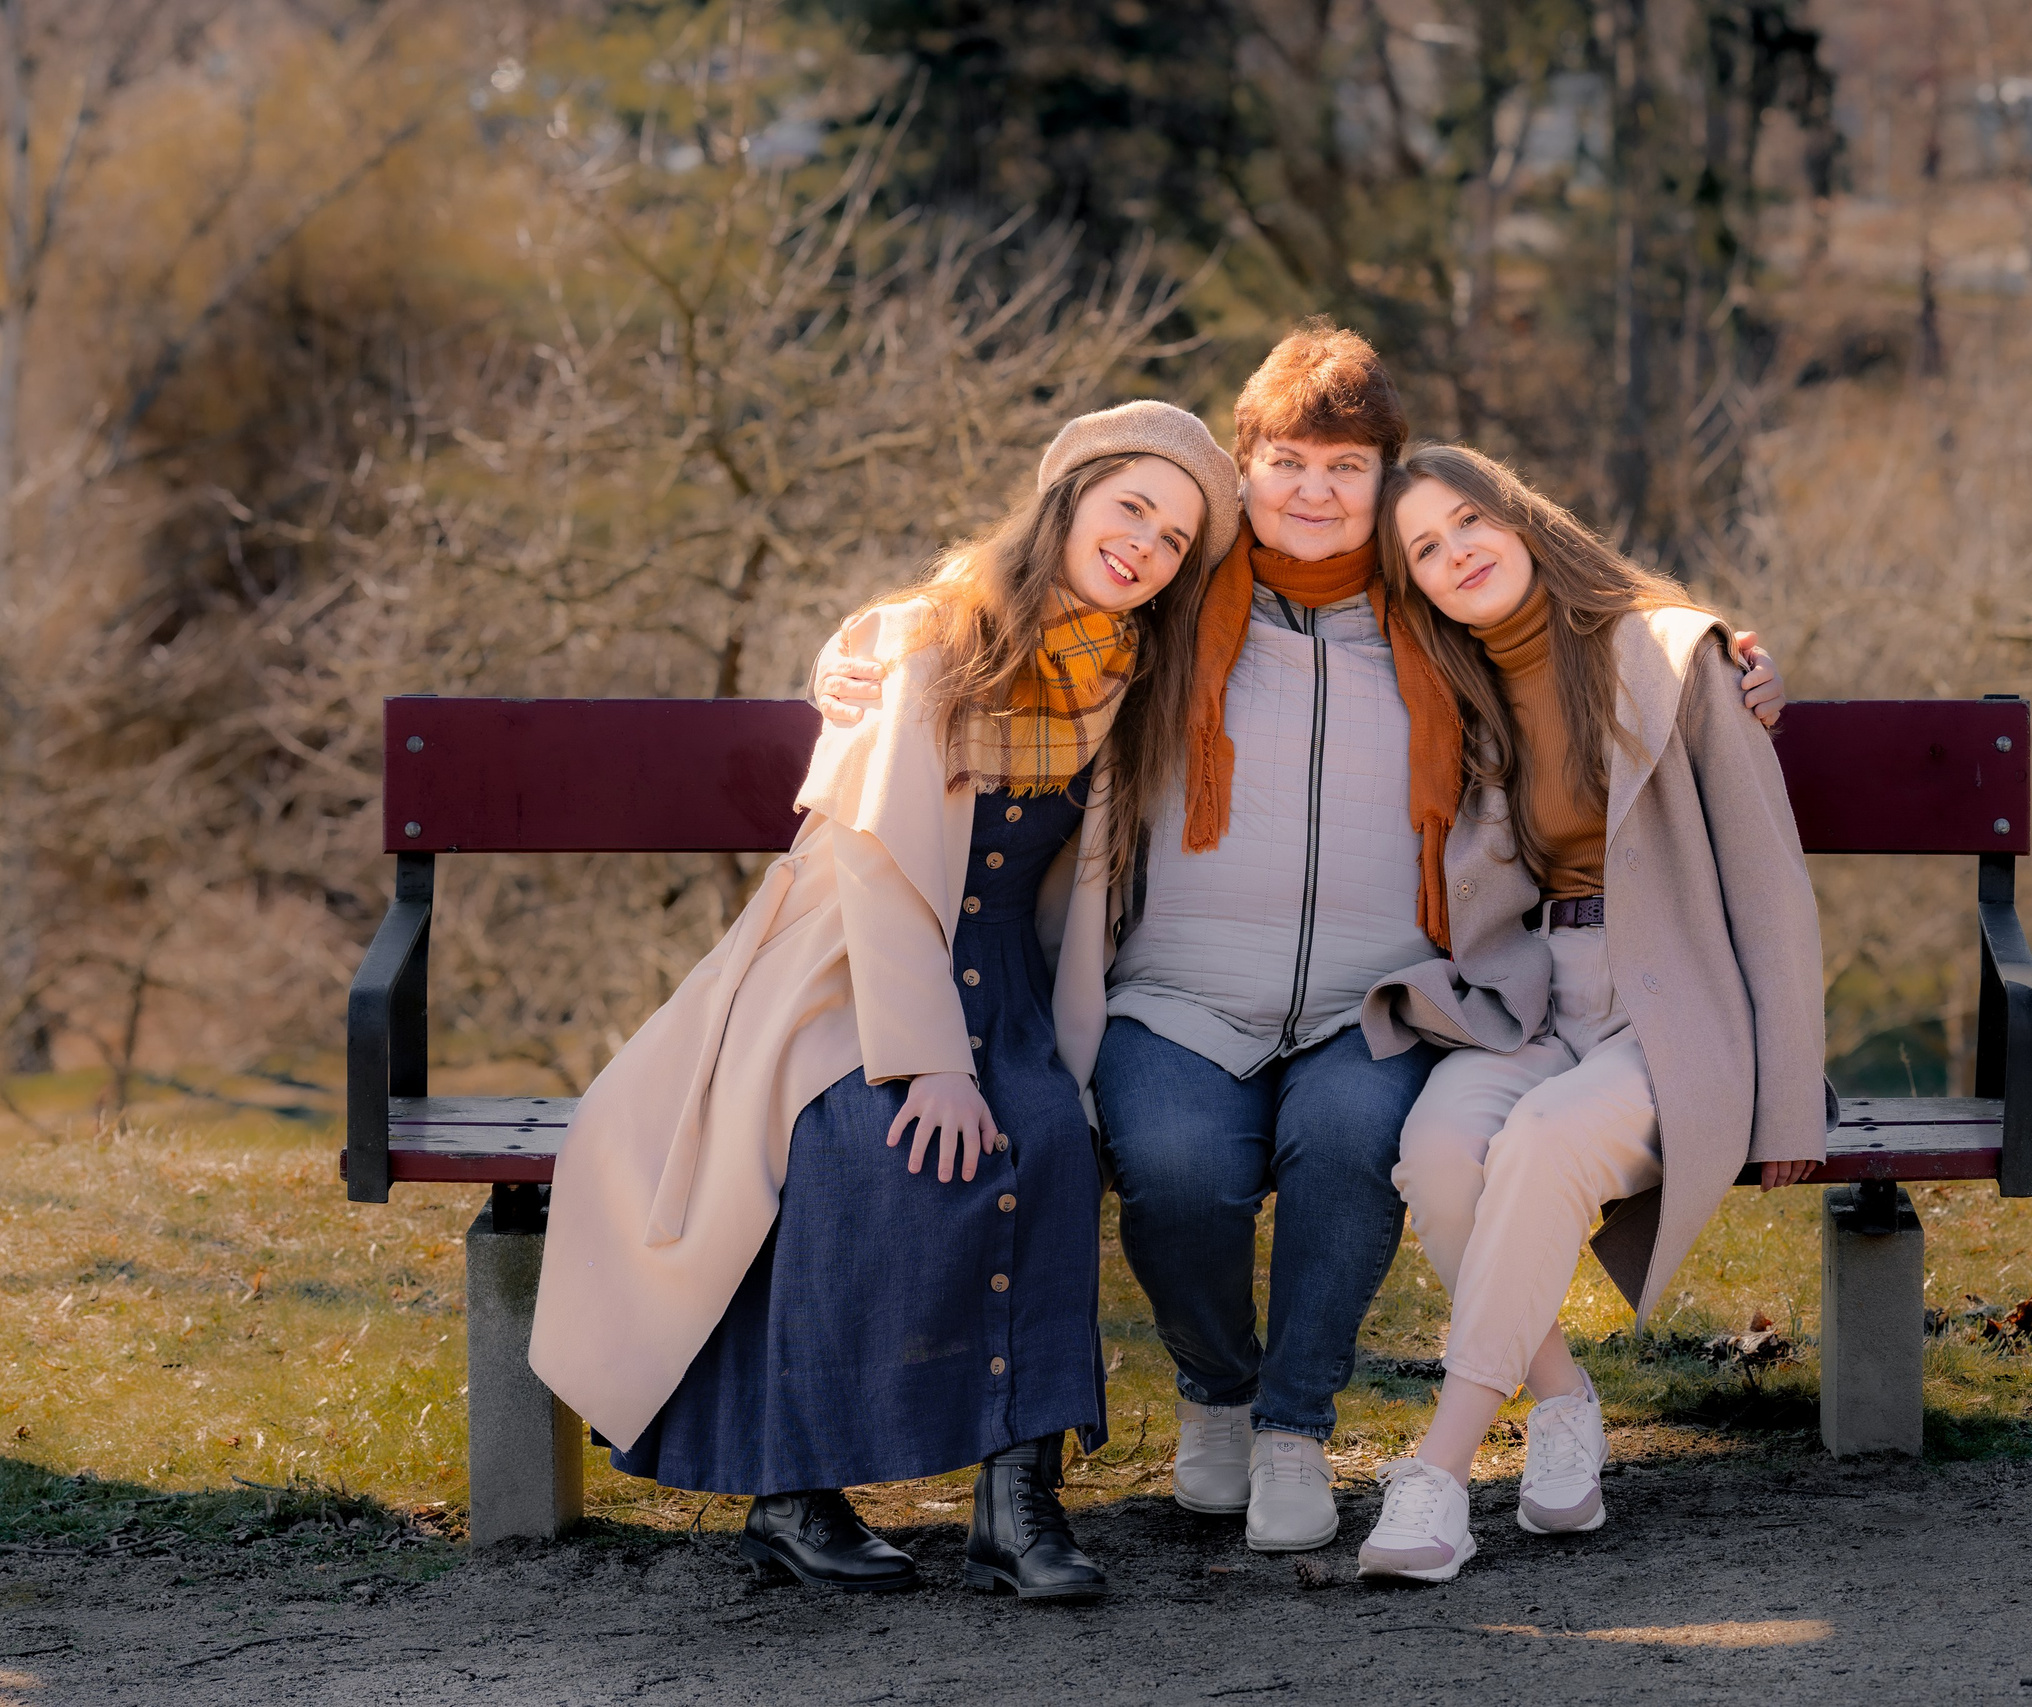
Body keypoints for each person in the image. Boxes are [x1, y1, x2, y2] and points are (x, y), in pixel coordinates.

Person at [813, 324, 1789, 1555]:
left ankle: (1291, 1428)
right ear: (1242, 469)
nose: (1315, 492)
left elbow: (1584, 616)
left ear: (1384, 479)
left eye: (1346, 467)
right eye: (1286, 462)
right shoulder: (1171, 603)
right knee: (1172, 1167)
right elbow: (1003, 594)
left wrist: (1727, 654)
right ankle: (1216, 1393)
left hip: (1377, 999)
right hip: (1175, 992)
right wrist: (853, 650)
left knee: (1345, 1150)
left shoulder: (1434, 611)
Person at [527, 401, 1239, 1601]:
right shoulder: (929, 639)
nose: (1145, 549)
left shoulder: (1124, 677)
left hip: (1001, 970)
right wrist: (931, 1064)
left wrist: (1020, 1047)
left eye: (1174, 540)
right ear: (1069, 499)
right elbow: (875, 863)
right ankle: (794, 1496)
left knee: (1052, 1143)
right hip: (847, 966)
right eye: (1132, 510)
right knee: (862, 1143)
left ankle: (1019, 1506)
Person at [1351, 442, 1831, 1584]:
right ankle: (1561, 1398)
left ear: (1521, 521)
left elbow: (1770, 886)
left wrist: (1791, 1101)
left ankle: (1439, 1471)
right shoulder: (1457, 695)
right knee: (1438, 1149)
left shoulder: (1671, 655)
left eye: (1469, 523)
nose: (1454, 552)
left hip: (1675, 1011)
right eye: (1423, 547)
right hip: (1535, 1001)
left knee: (1548, 1141)